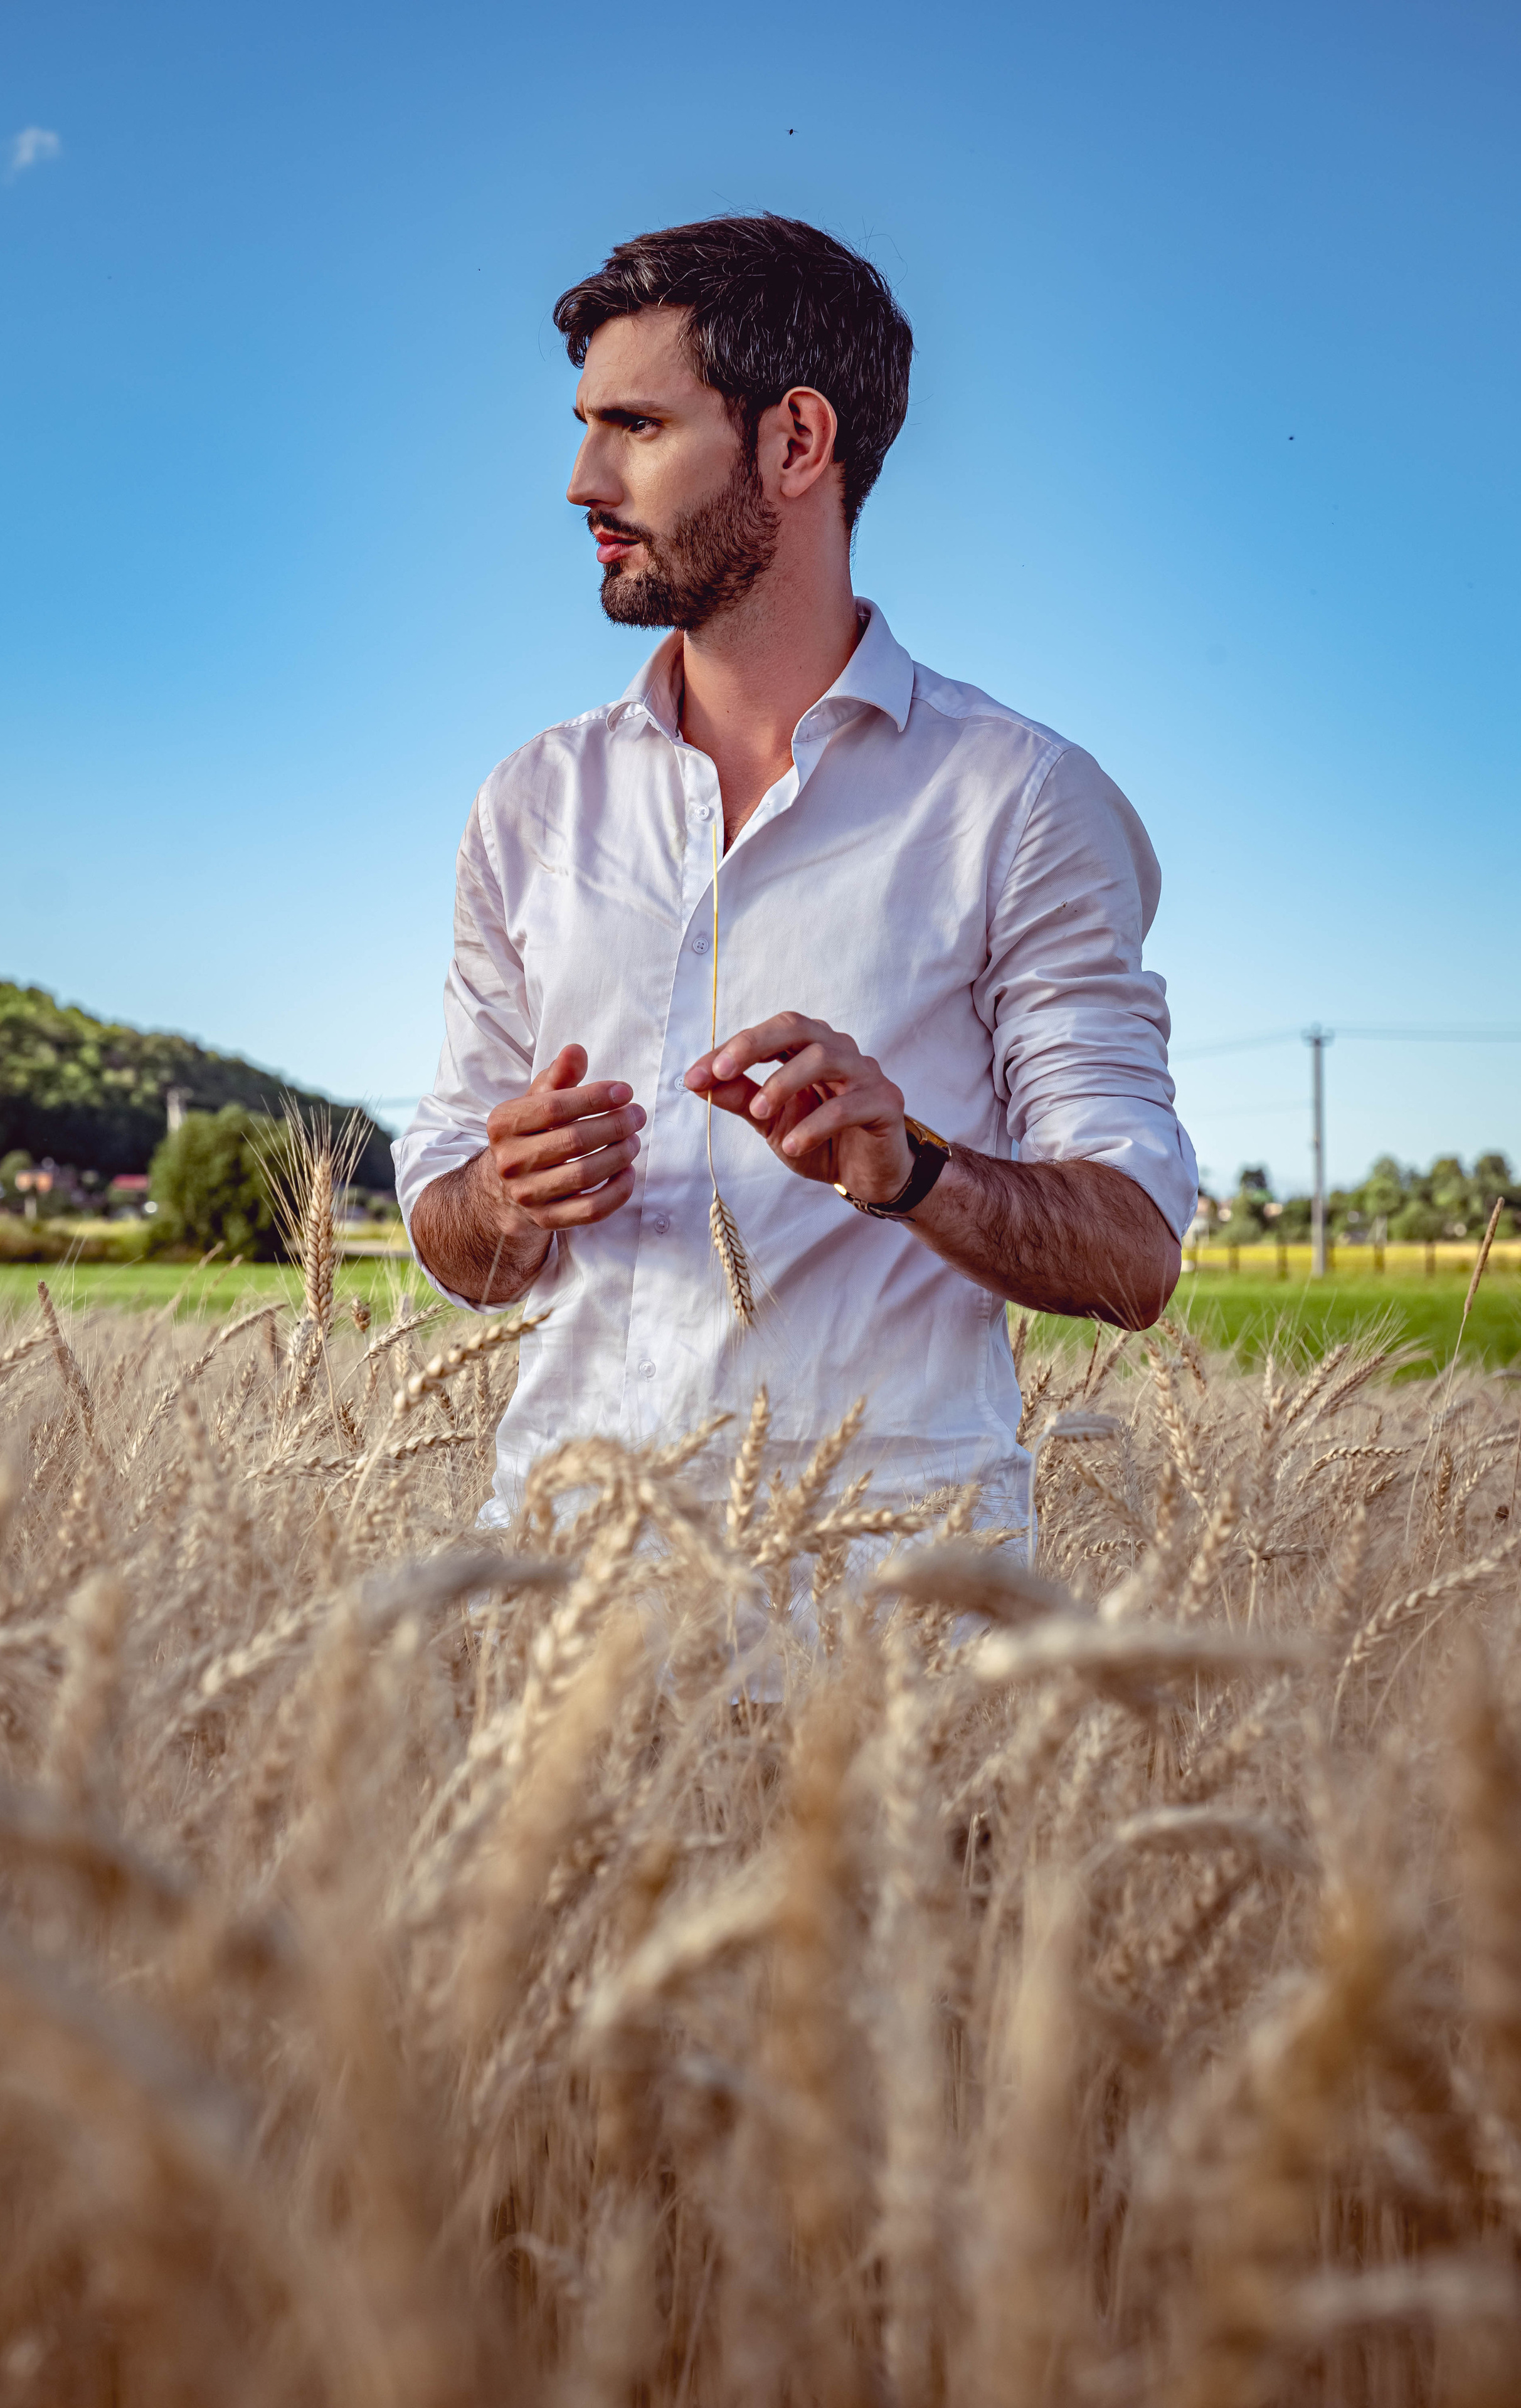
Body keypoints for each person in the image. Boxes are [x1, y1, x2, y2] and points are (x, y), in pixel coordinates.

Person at [394, 214, 1197, 1532]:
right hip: (557, 1608)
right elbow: (457, 1242)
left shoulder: (1019, 800)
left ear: (795, 441)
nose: (581, 480)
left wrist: (914, 1170)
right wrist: (498, 1195)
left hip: (892, 1626)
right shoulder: (530, 802)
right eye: (586, 424)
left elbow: (1131, 1257)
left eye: (637, 429)